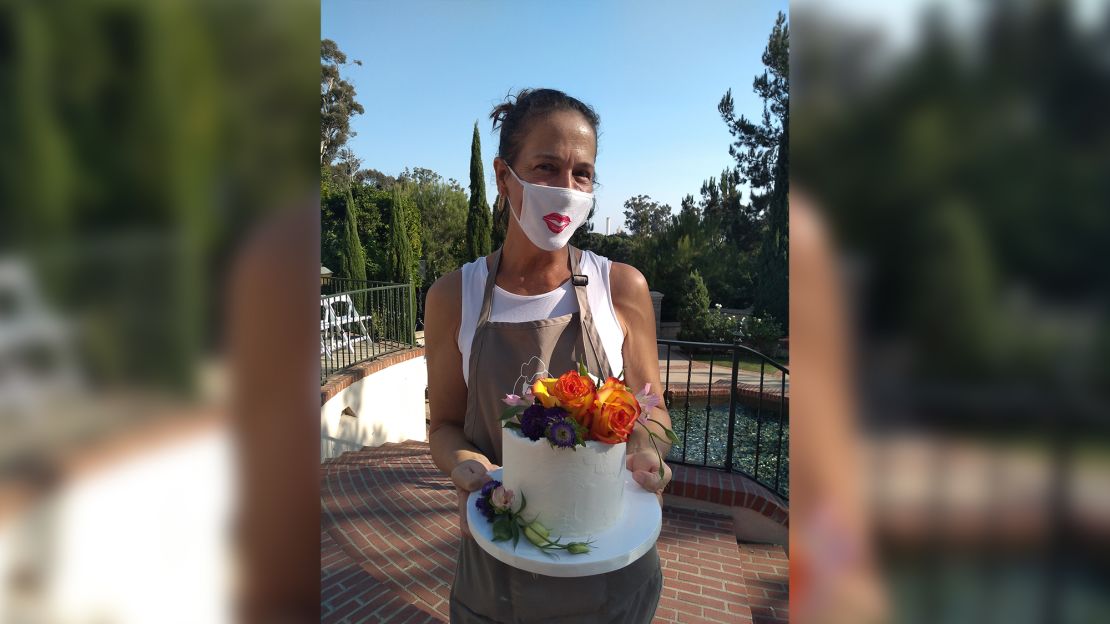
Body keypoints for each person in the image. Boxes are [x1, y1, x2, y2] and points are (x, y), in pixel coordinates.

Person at [425, 88, 673, 623]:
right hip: (498, 575)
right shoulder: (453, 297)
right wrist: (469, 468)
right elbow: (444, 424)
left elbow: (650, 405)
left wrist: (647, 449)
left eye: (582, 173)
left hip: (614, 575)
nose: (566, 189)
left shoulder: (622, 287)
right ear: (502, 176)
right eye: (545, 167)